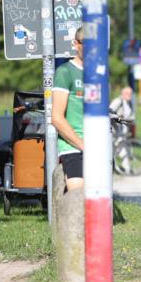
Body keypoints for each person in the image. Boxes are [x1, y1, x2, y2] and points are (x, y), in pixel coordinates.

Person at [52, 26, 85, 191]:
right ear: (76, 44)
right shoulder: (65, 72)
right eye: (85, 43)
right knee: (78, 194)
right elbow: (57, 117)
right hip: (73, 147)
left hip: (98, 145)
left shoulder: (100, 72)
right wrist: (83, 146)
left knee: (100, 196)